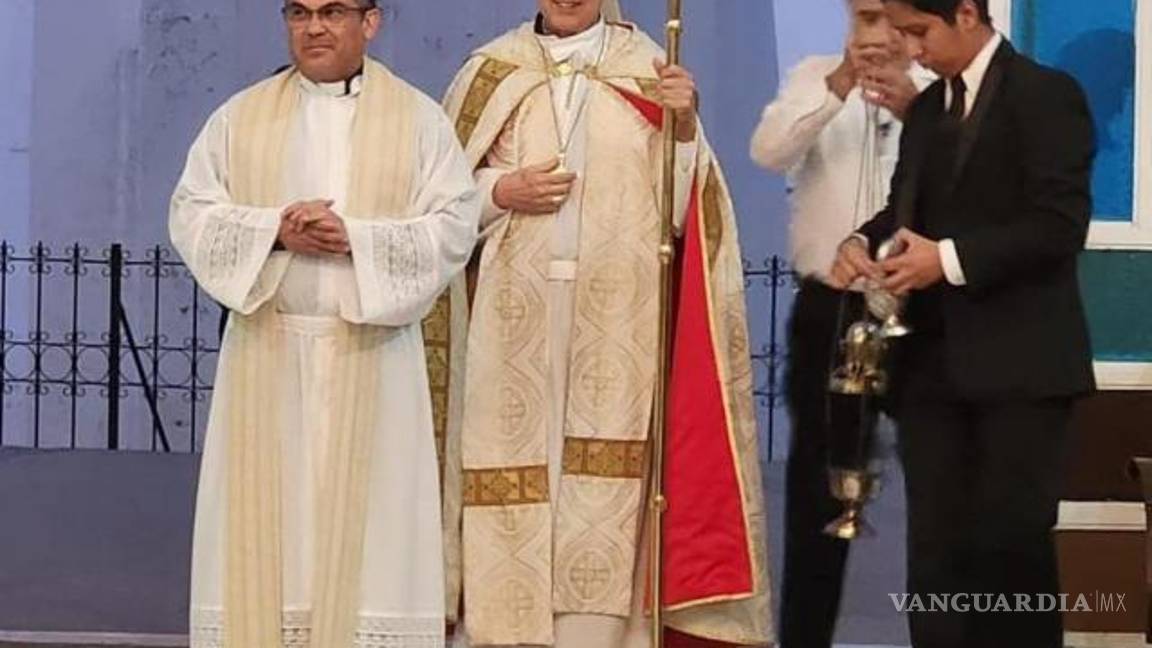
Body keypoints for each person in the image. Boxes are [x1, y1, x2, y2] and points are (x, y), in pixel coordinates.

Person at [443, 0, 772, 646]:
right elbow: (438, 200)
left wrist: (682, 132)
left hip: (617, 323)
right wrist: (497, 194)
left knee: (605, 495)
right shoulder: (489, 72)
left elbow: (686, 222)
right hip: (511, 324)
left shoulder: (652, 71)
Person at [169, 0, 481, 645]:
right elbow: (192, 212)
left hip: (371, 351)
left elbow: (454, 225)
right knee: (267, 541)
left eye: (333, 11)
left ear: (370, 23)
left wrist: (355, 240)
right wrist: (274, 231)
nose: (314, 27)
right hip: (269, 351)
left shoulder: (417, 119)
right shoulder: (239, 117)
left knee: (371, 540)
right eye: (299, 12)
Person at [830, 1, 1095, 645]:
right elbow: (904, 209)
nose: (912, 51)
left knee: (1011, 558)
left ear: (969, 14)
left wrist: (945, 260)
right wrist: (860, 242)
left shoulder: (1047, 95)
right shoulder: (926, 111)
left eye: (921, 33)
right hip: (931, 375)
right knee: (935, 558)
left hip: (1022, 372)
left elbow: (1059, 225)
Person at [749, 1, 928, 646]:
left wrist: (915, 108)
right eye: (860, 17)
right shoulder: (815, 74)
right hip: (831, 305)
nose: (871, 36)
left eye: (883, 18)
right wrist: (838, 88)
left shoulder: (937, 91)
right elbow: (769, 150)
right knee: (817, 491)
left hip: (922, 310)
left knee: (938, 482)